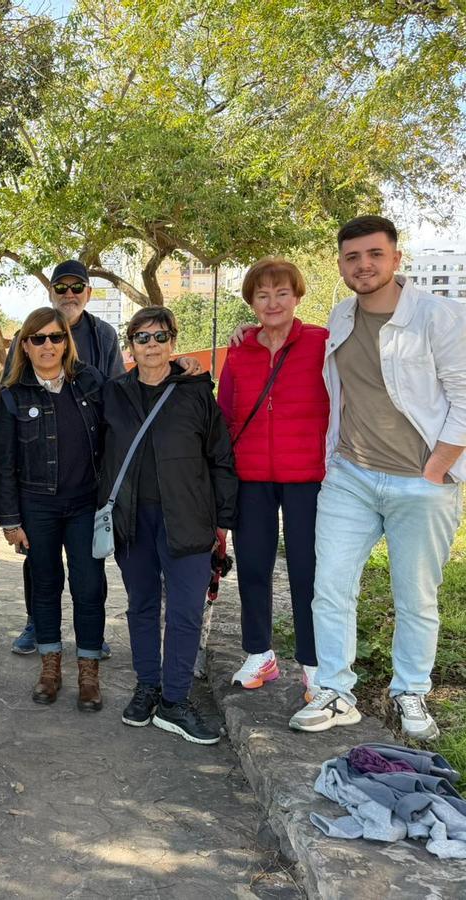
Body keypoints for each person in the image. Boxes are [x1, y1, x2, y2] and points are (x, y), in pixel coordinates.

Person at [289, 215, 465, 740]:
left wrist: (435, 469)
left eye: (374, 254)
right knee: (330, 586)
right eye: (352, 257)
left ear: (395, 257)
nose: (363, 265)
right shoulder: (341, 315)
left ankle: (410, 689)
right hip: (350, 476)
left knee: (416, 595)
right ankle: (335, 690)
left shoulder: (438, 316)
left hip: (421, 483)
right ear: (341, 264)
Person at [100, 306, 237, 745]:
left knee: (184, 611)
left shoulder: (196, 391)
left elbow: (220, 457)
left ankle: (175, 701)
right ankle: (147, 687)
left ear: (173, 342)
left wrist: (222, 521)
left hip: (189, 518)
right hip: (133, 519)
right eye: (143, 338)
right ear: (131, 346)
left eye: (161, 337)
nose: (152, 345)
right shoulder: (113, 393)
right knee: (140, 605)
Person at [217, 258, 328, 699]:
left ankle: (314, 663)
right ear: (251, 303)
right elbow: (225, 415)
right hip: (252, 478)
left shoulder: (322, 342)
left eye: (282, 293)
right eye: (262, 295)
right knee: (254, 568)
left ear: (297, 296)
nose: (273, 302)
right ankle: (259, 652)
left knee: (307, 571)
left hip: (308, 477)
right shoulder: (239, 351)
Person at [0, 308, 106, 708]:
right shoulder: (12, 395)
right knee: (45, 586)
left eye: (55, 337)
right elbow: (3, 463)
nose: (47, 346)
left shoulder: (90, 382)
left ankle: (89, 675)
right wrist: (9, 521)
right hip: (36, 507)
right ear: (25, 344)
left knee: (89, 587)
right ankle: (50, 669)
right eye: (38, 338)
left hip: (84, 505)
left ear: (66, 342)